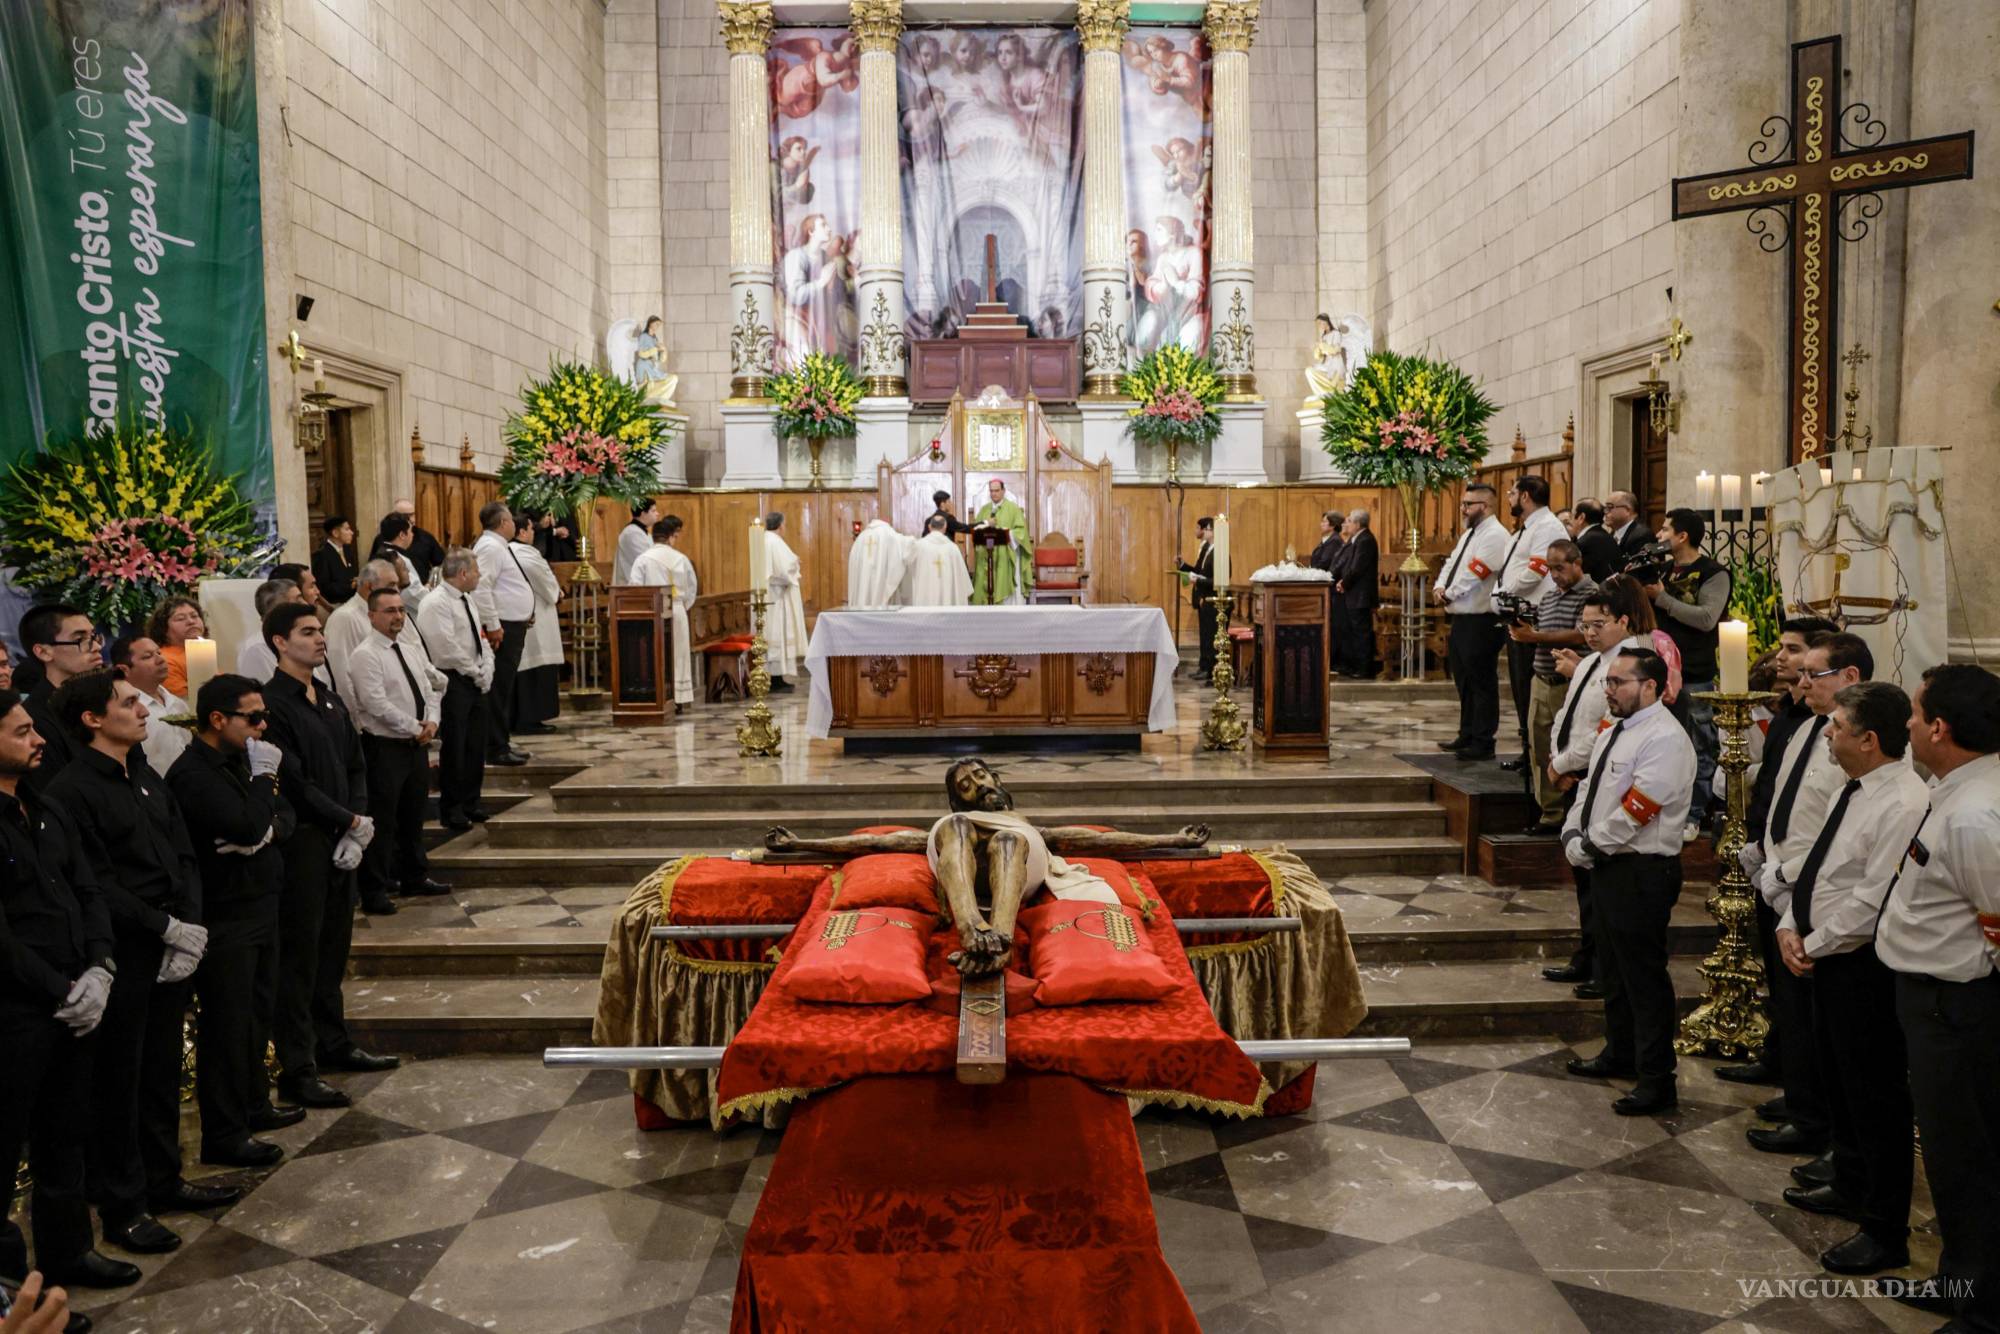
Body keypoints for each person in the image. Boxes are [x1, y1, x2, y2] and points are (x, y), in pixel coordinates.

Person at [45, 669, 236, 1257]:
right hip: (127, 944)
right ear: (93, 720)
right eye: (128, 703)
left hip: (175, 939)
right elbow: (97, 881)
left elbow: (182, 852)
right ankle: (124, 1205)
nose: (142, 709)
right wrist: (164, 927)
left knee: (160, 1071)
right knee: (120, 1081)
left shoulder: (145, 773)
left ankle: (163, 1179)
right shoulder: (72, 790)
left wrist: (191, 926)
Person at [1766, 680, 1928, 1276]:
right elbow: (1821, 867)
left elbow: (1870, 899)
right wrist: (1789, 921)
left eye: (1837, 727)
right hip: (1820, 951)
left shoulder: (1904, 802)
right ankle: (1850, 1178)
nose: (1827, 734)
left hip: (1859, 964)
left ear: (1870, 739)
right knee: (1838, 1079)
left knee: (1874, 1094)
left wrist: (1813, 941)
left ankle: (1884, 1228)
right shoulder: (1855, 787)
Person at [1876, 664, 2000, 1332]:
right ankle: (1959, 1278)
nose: (1909, 725)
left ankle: (1983, 1310)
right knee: (1950, 1160)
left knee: (1967, 1160)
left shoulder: (1979, 813)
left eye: (1917, 715)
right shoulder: (1956, 790)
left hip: (1956, 1010)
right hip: (1933, 1002)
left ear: (1942, 728)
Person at [0, 689, 136, 1296]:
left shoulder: (45, 807)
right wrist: (61, 988)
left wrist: (102, 966)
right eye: (23, 732)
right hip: (17, 1011)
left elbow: (87, 890)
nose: (39, 741)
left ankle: (67, 1256)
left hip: (77, 996)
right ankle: (10, 1298)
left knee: (65, 1137)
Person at [259, 601, 397, 1106]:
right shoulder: (271, 705)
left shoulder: (331, 699)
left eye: (320, 630)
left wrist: (357, 826)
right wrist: (348, 821)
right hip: (304, 845)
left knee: (334, 947)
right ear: (279, 642)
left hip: (342, 841)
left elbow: (355, 765)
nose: (320, 639)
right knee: (300, 955)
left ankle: (333, 1043)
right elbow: (292, 780)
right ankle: (297, 1066)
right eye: (308, 632)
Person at [165, 674, 302, 1172]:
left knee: (256, 1016)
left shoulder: (244, 758)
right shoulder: (192, 773)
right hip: (226, 916)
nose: (263, 727)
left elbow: (282, 817)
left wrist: (264, 834)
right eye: (253, 718)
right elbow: (246, 822)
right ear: (218, 719)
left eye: (264, 715)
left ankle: (253, 1105)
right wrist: (262, 799)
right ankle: (224, 1134)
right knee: (226, 1026)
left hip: (262, 904)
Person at [1747, 631, 1872, 1157]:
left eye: (1812, 674)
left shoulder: (1862, 740)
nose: (1801, 681)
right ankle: (1799, 1096)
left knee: (1815, 1012)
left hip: (1815, 888)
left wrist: (1789, 872)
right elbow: (1787, 800)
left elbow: (1838, 826)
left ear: (1849, 678)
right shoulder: (1808, 729)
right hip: (1779, 879)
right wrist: (1765, 856)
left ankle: (1815, 1118)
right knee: (1790, 1006)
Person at [1561, 646, 1695, 1116]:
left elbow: (1640, 807)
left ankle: (1658, 1078)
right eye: (1608, 681)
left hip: (1641, 870)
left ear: (1651, 687)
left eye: (1619, 682)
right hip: (1606, 865)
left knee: (1643, 976)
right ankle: (1619, 1052)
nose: (1609, 689)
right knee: (1612, 970)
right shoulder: (1614, 729)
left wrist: (1592, 844)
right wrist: (1573, 831)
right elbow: (1588, 789)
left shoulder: (1665, 738)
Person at [1713, 615, 1837, 1092]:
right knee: (1780, 984)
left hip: (1803, 874)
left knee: (1800, 992)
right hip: (1770, 856)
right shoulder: (1793, 715)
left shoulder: (1822, 724)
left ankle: (1803, 1093)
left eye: (1795, 652)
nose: (1784, 660)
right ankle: (1781, 1061)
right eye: (1786, 652)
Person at [1543, 587, 1649, 995]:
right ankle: (1587, 955)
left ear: (1623, 621)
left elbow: (1607, 728)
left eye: (1597, 624)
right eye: (1584, 625)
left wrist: (1563, 764)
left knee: (1602, 881)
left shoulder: (1632, 667)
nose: (1589, 632)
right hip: (1574, 773)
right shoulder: (1589, 663)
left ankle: (1606, 967)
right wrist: (1557, 759)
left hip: (1603, 775)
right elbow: (1566, 718)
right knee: (1583, 881)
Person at [348, 588, 448, 907]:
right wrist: (415, 727)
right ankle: (375, 889)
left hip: (415, 745)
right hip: (385, 748)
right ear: (372, 616)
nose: (398, 616)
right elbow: (374, 704)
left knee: (413, 814)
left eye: (401, 610)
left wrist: (431, 721)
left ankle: (414, 878)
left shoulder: (407, 647)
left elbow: (431, 687)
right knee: (384, 819)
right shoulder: (365, 654)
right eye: (390, 611)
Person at [1645, 508, 1730, 828]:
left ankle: (1693, 815)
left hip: (1694, 672)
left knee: (1697, 745)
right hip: (1657, 672)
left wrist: (1662, 598)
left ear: (1682, 536)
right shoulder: (1662, 570)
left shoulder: (1713, 572)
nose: (1659, 535)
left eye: (1665, 529)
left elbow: (1707, 618)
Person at [1512, 539, 1596, 833]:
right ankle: (1549, 813)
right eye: (1550, 569)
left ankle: (1571, 814)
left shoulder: (1591, 593)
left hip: (1568, 683)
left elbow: (1579, 635)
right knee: (1539, 747)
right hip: (1541, 679)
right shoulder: (1549, 596)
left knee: (1567, 748)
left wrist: (1534, 637)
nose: (1555, 574)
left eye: (1560, 568)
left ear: (1577, 563)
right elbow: (1541, 630)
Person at [417, 549, 494, 831]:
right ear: (462, 573)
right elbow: (445, 647)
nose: (479, 575)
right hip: (452, 679)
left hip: (474, 679)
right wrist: (475, 671)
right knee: (456, 746)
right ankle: (453, 807)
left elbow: (480, 637)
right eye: (476, 570)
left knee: (476, 744)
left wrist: (487, 667)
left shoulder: (467, 600)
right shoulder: (435, 602)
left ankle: (472, 802)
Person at [1433, 483, 1511, 761]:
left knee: (1481, 682)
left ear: (1486, 506)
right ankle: (1467, 733)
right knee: (1463, 680)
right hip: (1462, 617)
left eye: (1469, 504)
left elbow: (1476, 574)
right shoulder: (1470, 533)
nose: (1463, 508)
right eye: (1463, 503)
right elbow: (1452, 563)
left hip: (1482, 620)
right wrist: (1439, 586)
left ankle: (1483, 740)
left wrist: (1450, 593)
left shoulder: (1496, 535)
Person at [1497, 476, 1566, 778]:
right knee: (1520, 686)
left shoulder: (1547, 527)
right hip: (1519, 613)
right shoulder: (1528, 528)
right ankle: (1527, 749)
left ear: (1524, 496)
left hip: (1534, 614)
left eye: (1512, 493)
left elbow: (1537, 570)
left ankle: (1536, 753)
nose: (1509, 498)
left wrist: (1505, 592)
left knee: (1529, 685)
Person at [472, 502, 534, 766]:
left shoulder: (497, 546)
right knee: (497, 689)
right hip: (502, 628)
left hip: (510, 624)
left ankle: (501, 741)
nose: (513, 524)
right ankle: (495, 747)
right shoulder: (490, 547)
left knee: (502, 687)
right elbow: (481, 586)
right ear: (502, 523)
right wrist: (494, 624)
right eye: (510, 519)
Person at [17, 606, 98, 795]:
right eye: (80, 640)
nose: (96, 647)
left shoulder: (105, 700)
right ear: (43, 652)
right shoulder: (33, 720)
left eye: (93, 637)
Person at [629, 517, 698, 713]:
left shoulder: (643, 559)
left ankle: (658, 695)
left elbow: (635, 589)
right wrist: (681, 606)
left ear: (653, 536)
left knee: (655, 655)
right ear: (669, 538)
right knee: (679, 655)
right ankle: (679, 697)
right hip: (676, 610)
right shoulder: (681, 559)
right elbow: (692, 588)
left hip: (653, 613)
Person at [324, 560, 414, 694]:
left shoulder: (396, 612)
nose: (396, 590)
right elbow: (343, 676)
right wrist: (353, 714)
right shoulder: (344, 618)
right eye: (391, 585)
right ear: (370, 586)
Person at [510, 512, 564, 735]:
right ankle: (530, 719)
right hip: (536, 620)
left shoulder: (506, 552)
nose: (533, 533)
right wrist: (557, 592)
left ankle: (521, 718)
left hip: (519, 617)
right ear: (522, 532)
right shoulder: (527, 555)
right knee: (535, 668)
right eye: (532, 529)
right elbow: (548, 585)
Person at [109, 635, 190, 777]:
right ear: (124, 669)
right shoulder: (127, 712)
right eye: (147, 657)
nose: (160, 660)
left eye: (159, 653)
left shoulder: (177, 703)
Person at [233, 579, 332, 690]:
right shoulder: (256, 649)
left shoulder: (301, 637)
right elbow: (268, 697)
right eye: (298, 600)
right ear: (277, 608)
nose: (305, 603)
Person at [762, 512, 808, 693]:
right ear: (780, 525)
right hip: (776, 597)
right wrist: (795, 565)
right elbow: (782, 571)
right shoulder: (774, 541)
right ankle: (776, 680)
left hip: (769, 595)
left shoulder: (764, 540)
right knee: (777, 635)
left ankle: (775, 677)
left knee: (773, 637)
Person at [1332, 510, 1380, 679]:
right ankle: (1356, 666)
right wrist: (1343, 581)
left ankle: (1364, 669)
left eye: (1350, 521)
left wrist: (1344, 582)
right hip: (1355, 593)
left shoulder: (1365, 540)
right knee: (1355, 631)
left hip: (1362, 595)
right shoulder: (1358, 539)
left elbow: (1357, 567)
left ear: (1358, 524)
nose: (1348, 524)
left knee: (1361, 632)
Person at [971, 480, 1032, 606]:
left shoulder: (1013, 508)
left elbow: (1021, 532)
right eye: (991, 491)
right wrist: (985, 525)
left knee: (1003, 582)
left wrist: (1006, 533)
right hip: (987, 555)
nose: (994, 494)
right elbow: (976, 530)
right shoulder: (984, 509)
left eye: (997, 491)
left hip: (1005, 555)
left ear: (1003, 491)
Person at [1178, 518, 1219, 683]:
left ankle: (1211, 669)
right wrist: (1184, 567)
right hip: (1203, 599)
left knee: (1210, 636)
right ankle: (1205, 667)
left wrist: (1197, 580)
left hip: (1211, 600)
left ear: (1209, 529)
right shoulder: (1208, 550)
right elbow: (1199, 571)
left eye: (1202, 529)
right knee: (1204, 635)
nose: (1201, 532)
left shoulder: (1219, 552)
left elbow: (1217, 580)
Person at [903, 515, 974, 607]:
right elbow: (962, 580)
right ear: (945, 527)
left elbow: (906, 564)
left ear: (929, 527)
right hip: (948, 603)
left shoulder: (918, 546)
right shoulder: (953, 548)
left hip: (925, 602)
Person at [144, 597, 206, 700]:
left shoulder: (205, 652)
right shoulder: (164, 660)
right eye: (180, 619)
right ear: (163, 628)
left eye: (194, 616)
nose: (191, 621)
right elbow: (186, 700)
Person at [848, 518, 914, 609]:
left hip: (862, 589)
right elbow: (907, 547)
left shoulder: (861, 537)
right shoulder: (888, 533)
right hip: (881, 587)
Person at [369, 514, 427, 615]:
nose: (412, 535)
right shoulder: (396, 559)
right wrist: (431, 596)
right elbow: (411, 591)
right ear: (402, 535)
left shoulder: (385, 551)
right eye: (410, 531)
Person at [391, 498, 445, 584]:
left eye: (412, 515)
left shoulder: (426, 538)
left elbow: (441, 564)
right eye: (406, 516)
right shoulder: (383, 539)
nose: (411, 519)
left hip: (423, 590)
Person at [1571, 499, 1621, 583]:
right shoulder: (1608, 536)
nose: (1571, 521)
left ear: (1581, 517)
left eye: (1572, 516)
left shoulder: (1584, 542)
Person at [312, 516, 358, 606]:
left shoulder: (347, 549)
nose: (351, 533)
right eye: (347, 529)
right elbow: (323, 587)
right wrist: (350, 586)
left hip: (351, 601)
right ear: (335, 533)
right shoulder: (322, 555)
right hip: (334, 604)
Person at [615, 500, 658, 585]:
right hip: (633, 588)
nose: (657, 513)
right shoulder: (632, 533)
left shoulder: (642, 532)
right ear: (643, 513)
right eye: (653, 511)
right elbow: (646, 561)